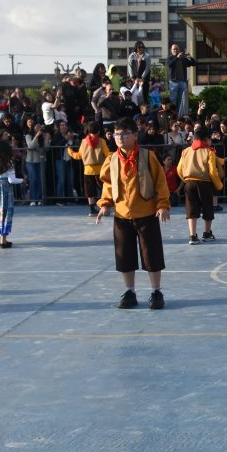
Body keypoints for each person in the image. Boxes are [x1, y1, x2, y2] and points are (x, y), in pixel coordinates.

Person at [96, 118, 171, 310]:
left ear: (135, 135)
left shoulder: (147, 156)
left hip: (147, 213)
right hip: (122, 214)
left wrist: (163, 204)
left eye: (124, 133)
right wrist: (105, 203)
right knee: (124, 255)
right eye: (117, 134)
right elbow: (109, 183)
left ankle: (156, 291)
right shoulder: (112, 159)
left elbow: (160, 182)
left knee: (152, 254)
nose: (119, 137)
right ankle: (129, 291)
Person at [177, 123, 221, 245]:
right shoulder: (209, 151)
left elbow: (179, 169)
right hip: (205, 182)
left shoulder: (186, 151)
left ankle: (192, 235)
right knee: (207, 207)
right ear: (206, 139)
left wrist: (185, 179)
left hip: (189, 182)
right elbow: (212, 171)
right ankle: (207, 234)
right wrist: (218, 185)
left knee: (191, 208)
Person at [68, 122, 112, 216]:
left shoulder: (84, 142)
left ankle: (92, 210)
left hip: (87, 170)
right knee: (104, 188)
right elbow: (107, 154)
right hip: (100, 169)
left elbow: (78, 156)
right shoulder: (101, 141)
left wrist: (70, 151)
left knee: (89, 191)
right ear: (99, 131)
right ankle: (104, 207)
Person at [0, 140, 23, 248]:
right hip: (5, 188)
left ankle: (2, 238)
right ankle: (3, 240)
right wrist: (22, 180)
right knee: (6, 212)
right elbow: (11, 180)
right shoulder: (9, 163)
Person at [165, 44, 196, 118]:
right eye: (174, 49)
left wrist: (189, 57)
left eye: (177, 49)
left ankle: (180, 115)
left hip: (182, 81)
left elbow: (194, 63)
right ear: (171, 50)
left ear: (179, 50)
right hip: (173, 82)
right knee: (173, 99)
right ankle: (172, 115)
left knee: (182, 100)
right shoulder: (170, 58)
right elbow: (169, 64)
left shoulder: (183, 59)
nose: (175, 50)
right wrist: (176, 58)